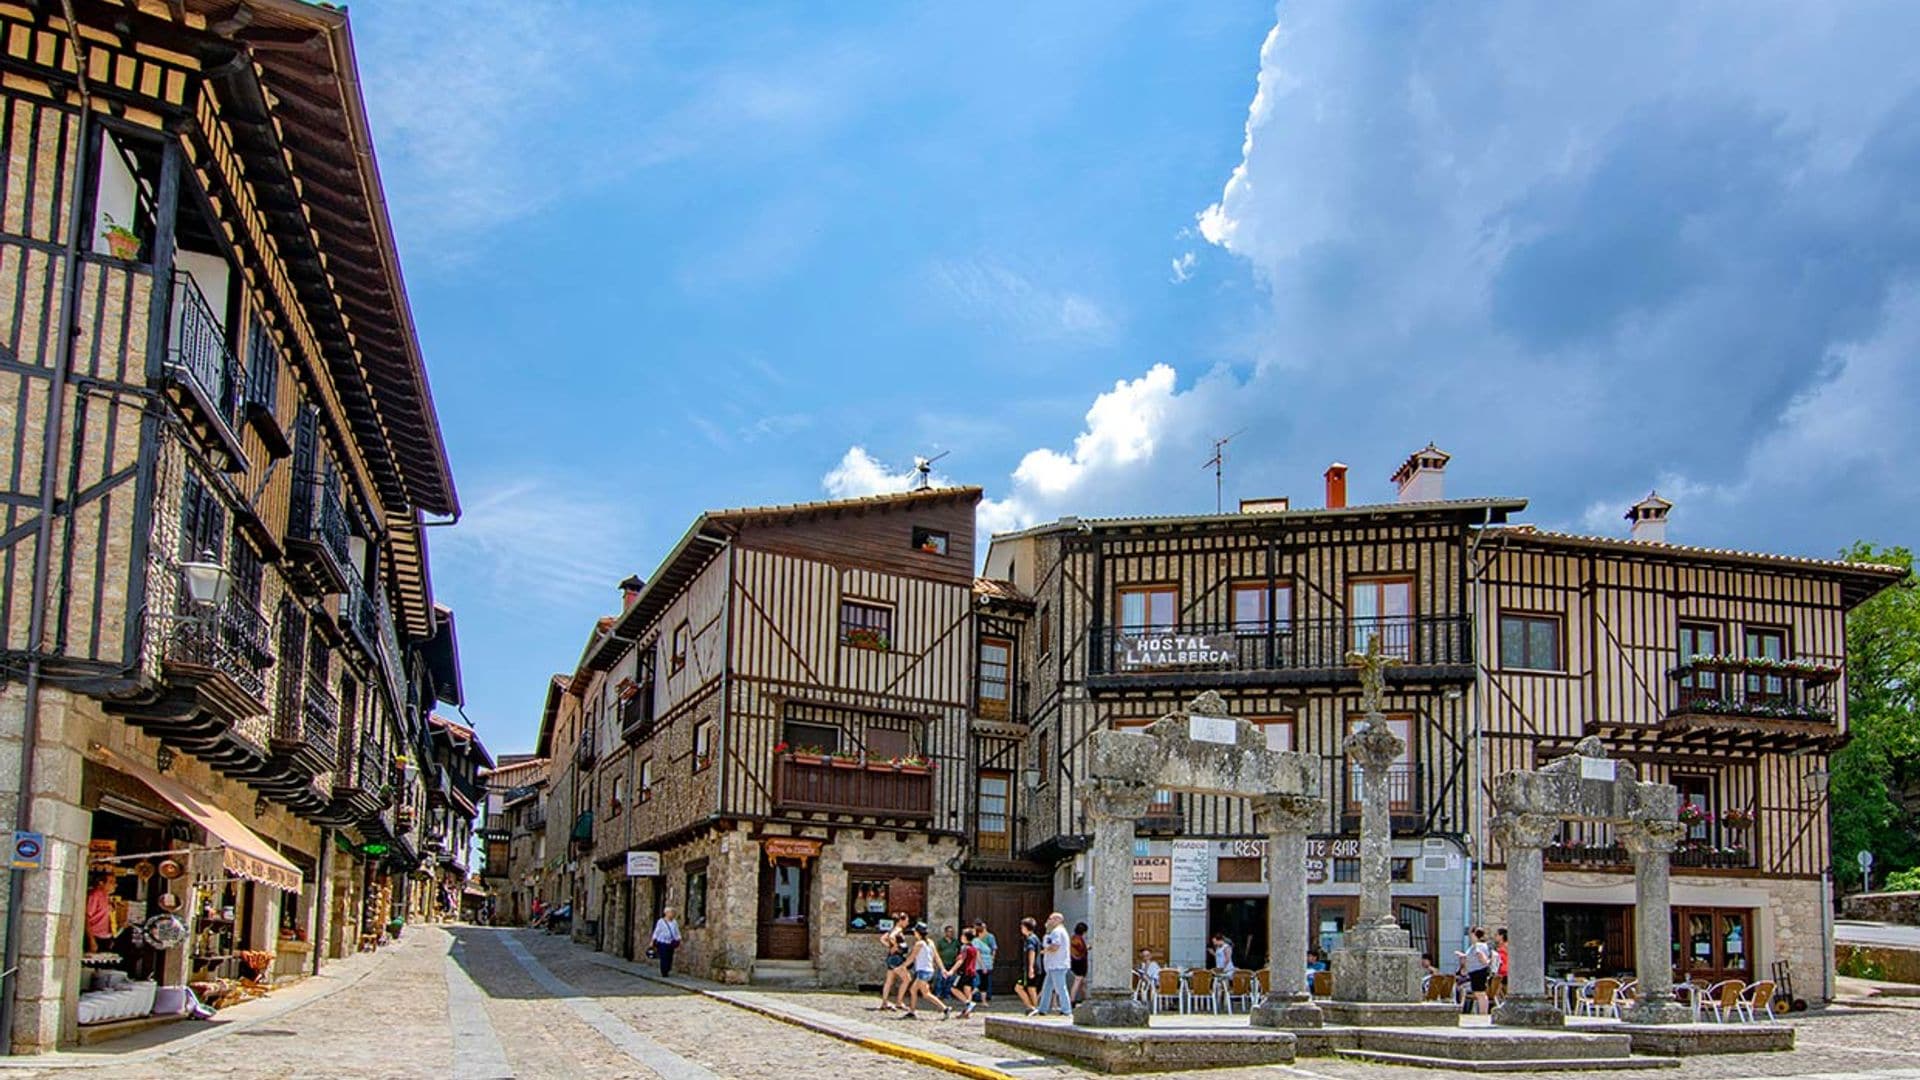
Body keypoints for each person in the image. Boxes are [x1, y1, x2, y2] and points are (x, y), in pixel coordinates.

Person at [901, 925, 953, 1019]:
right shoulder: (930, 942)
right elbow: (936, 957)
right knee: (913, 990)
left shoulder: (919, 944)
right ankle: (912, 1011)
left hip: (923, 971)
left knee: (926, 994)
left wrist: (903, 966)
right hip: (929, 971)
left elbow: (912, 957)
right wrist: (942, 969)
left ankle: (945, 1008)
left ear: (918, 933)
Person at [1035, 913, 1074, 1016]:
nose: (1049, 921)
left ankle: (1066, 1010)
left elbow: (1055, 946)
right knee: (1047, 987)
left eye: (1051, 919)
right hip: (1054, 965)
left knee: (1060, 987)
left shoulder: (1057, 932)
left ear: (1058, 920)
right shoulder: (1058, 931)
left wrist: (1044, 951)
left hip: (1058, 964)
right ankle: (1042, 1009)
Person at [943, 928, 981, 1018]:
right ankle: (967, 1012)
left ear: (965, 937)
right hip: (972, 972)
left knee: (953, 988)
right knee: (968, 992)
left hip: (964, 972)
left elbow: (961, 961)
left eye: (962, 935)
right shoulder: (974, 948)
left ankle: (968, 1004)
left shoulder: (965, 948)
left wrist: (951, 971)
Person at [878, 913, 913, 1011]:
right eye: (907, 920)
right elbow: (891, 937)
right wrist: (895, 946)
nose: (907, 923)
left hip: (892, 957)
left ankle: (884, 1002)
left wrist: (889, 946)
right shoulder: (898, 929)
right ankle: (899, 1002)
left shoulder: (892, 929)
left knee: (889, 981)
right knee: (907, 979)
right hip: (897, 958)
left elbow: (882, 939)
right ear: (901, 920)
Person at [1455, 926, 1493, 1014]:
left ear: (1474, 935)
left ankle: (1483, 1012)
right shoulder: (1483, 945)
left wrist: (1485, 962)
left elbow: (1480, 955)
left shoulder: (1477, 946)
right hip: (1478, 971)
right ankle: (1483, 1012)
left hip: (1478, 971)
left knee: (1480, 993)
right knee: (1480, 993)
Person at [1014, 916, 1041, 1013]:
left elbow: (1032, 952)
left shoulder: (1030, 939)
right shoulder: (1035, 938)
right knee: (1031, 988)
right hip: (1036, 968)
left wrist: (1030, 968)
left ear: (1026, 927)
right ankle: (1035, 1008)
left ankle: (1030, 1007)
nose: (1021, 928)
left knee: (1018, 988)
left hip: (1029, 969)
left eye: (1022, 926)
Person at [85, 873, 115, 952]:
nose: (114, 885)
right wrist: (91, 939)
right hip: (95, 936)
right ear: (101, 883)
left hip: (106, 937)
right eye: (111, 882)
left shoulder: (106, 896)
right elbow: (86, 917)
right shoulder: (95, 895)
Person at [651, 906, 683, 977]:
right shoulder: (661, 922)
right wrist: (652, 941)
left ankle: (667, 968)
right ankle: (664, 971)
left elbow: (676, 931)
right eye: (671, 912)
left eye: (673, 912)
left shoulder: (674, 922)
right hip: (662, 942)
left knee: (669, 956)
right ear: (666, 913)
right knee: (664, 956)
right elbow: (657, 931)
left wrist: (678, 938)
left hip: (671, 942)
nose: (673, 914)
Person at [972, 919, 997, 1005]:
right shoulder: (976, 941)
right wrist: (983, 966)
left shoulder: (990, 937)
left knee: (984, 983)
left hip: (987, 964)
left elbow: (993, 949)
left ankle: (983, 999)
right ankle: (970, 997)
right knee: (980, 983)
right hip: (980, 965)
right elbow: (977, 953)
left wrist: (991, 961)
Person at [1069, 921, 1090, 1003]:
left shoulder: (1073, 938)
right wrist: (1087, 948)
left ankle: (1085, 999)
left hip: (1073, 961)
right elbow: (1082, 950)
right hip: (1080, 963)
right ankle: (1072, 1000)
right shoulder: (1079, 939)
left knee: (1082, 983)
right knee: (1078, 981)